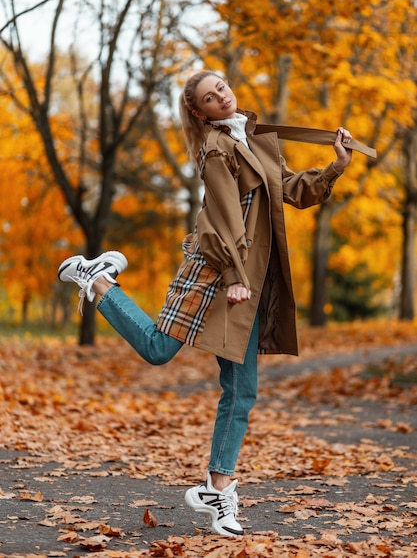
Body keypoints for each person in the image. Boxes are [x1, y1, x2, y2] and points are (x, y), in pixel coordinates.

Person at [58, 70, 353, 537]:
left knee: (241, 390)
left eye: (222, 88)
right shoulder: (216, 148)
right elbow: (221, 218)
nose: (221, 97)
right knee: (158, 350)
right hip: (216, 269)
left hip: (248, 275)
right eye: (209, 98)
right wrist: (235, 276)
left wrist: (336, 165)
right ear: (199, 112)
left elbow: (292, 193)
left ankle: (219, 490)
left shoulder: (257, 139)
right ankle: (99, 283)